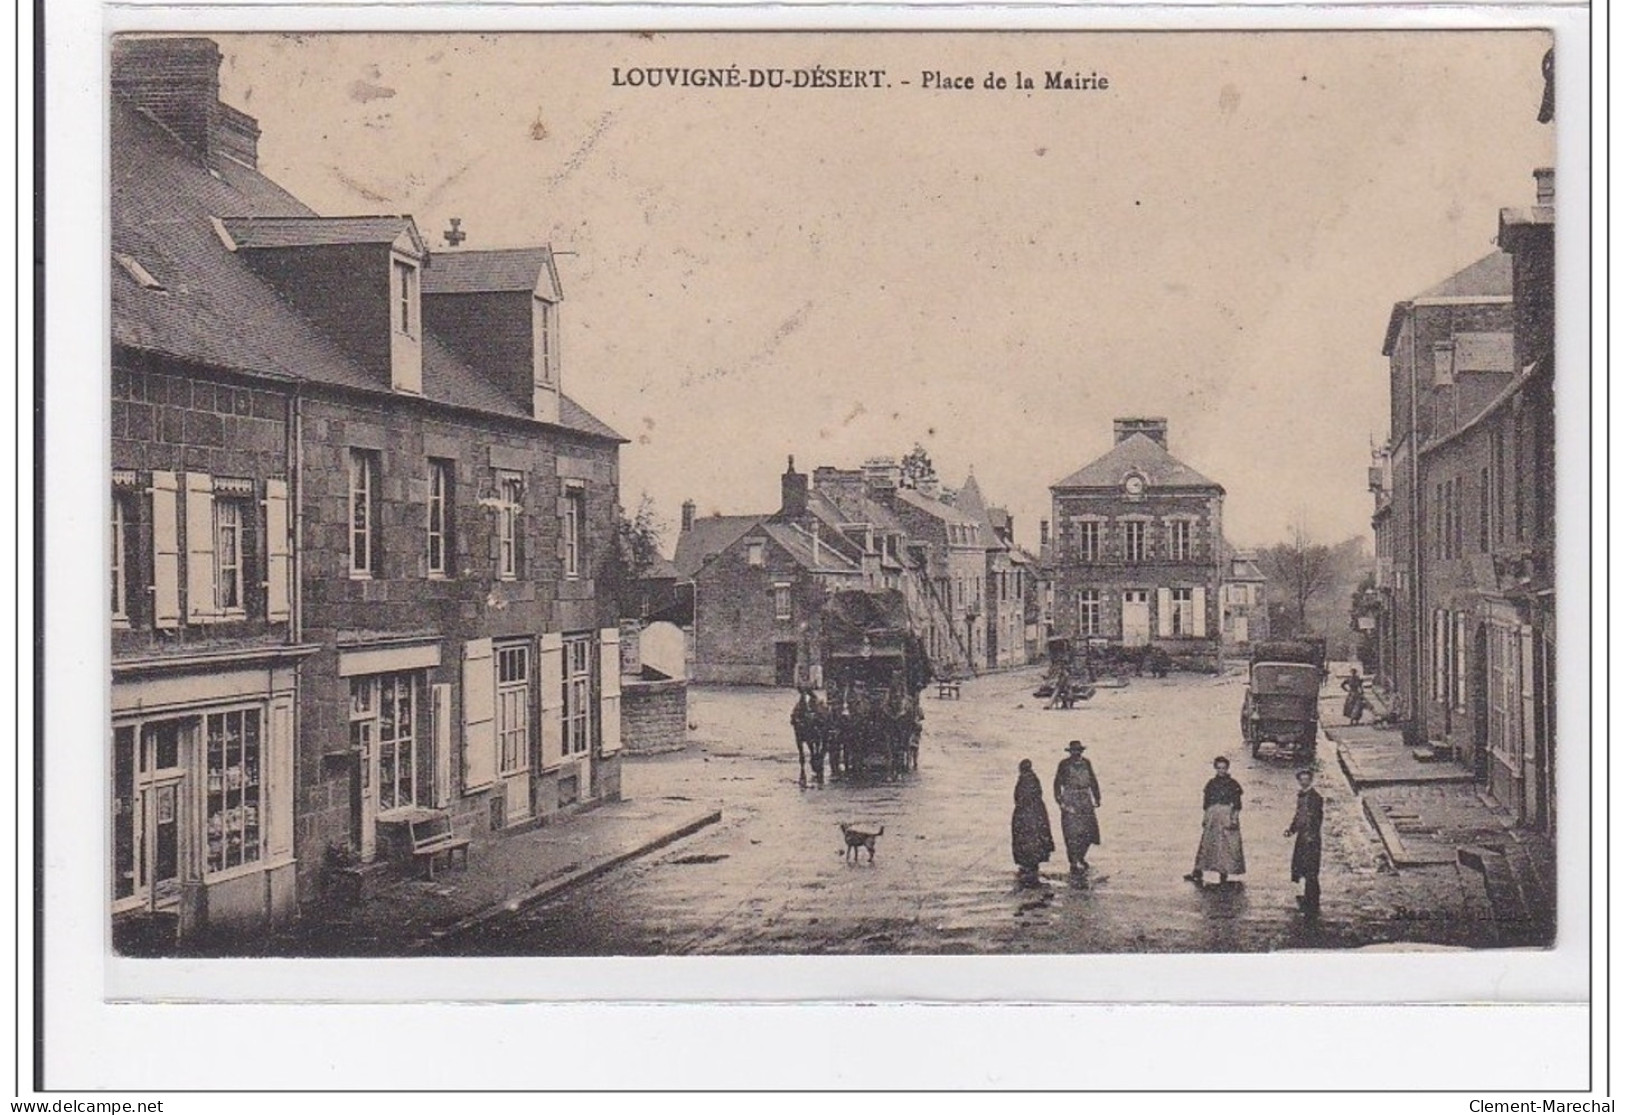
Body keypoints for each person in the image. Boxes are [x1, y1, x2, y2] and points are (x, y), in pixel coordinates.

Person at [1184, 755, 1245, 887]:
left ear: (1227, 768)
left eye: (1224, 768)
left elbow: (1238, 804)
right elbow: (1206, 803)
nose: (1221, 770)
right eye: (1219, 768)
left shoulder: (1233, 784)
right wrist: (1206, 817)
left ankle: (1224, 874)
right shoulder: (1211, 784)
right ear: (1215, 769)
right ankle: (1198, 871)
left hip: (1227, 815)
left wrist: (1234, 818)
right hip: (1213, 815)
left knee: (1227, 846)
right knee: (1208, 843)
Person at [1052, 740, 1102, 873]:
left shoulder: (1086, 763)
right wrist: (1060, 801)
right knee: (1071, 832)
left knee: (1089, 832)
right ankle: (1073, 861)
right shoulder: (1064, 764)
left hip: (1085, 799)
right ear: (1070, 752)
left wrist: (1097, 797)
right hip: (1070, 798)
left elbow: (1092, 780)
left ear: (1081, 751)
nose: (1076, 754)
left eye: (1078, 751)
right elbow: (1057, 783)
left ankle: (1081, 857)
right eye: (1074, 751)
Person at [1284, 768, 1325, 916]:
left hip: (1310, 838)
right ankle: (1309, 898)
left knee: (1310, 869)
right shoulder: (1303, 795)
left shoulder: (1314, 798)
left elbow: (1315, 819)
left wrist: (1311, 836)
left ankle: (1312, 901)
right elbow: (1299, 816)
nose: (1304, 782)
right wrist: (1292, 829)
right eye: (1301, 779)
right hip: (1303, 836)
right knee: (1306, 868)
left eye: (1306, 779)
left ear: (1311, 780)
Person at [1011, 759, 1056, 886]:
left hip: (1026, 815)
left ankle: (1028, 865)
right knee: (1035, 838)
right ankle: (1031, 864)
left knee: (1026, 839)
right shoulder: (1033, 778)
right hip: (1036, 813)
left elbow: (1019, 797)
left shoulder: (1024, 779)